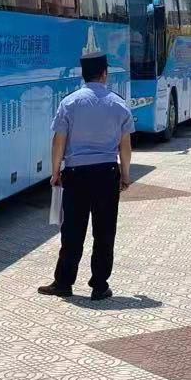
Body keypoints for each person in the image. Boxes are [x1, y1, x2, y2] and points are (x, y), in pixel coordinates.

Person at [39, 49, 133, 301]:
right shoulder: (118, 104)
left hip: (76, 174)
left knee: (72, 230)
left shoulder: (69, 103)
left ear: (83, 75)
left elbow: (59, 141)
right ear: (104, 74)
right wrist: (125, 175)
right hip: (107, 174)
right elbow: (125, 145)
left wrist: (55, 172)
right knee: (104, 231)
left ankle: (64, 283)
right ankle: (99, 286)